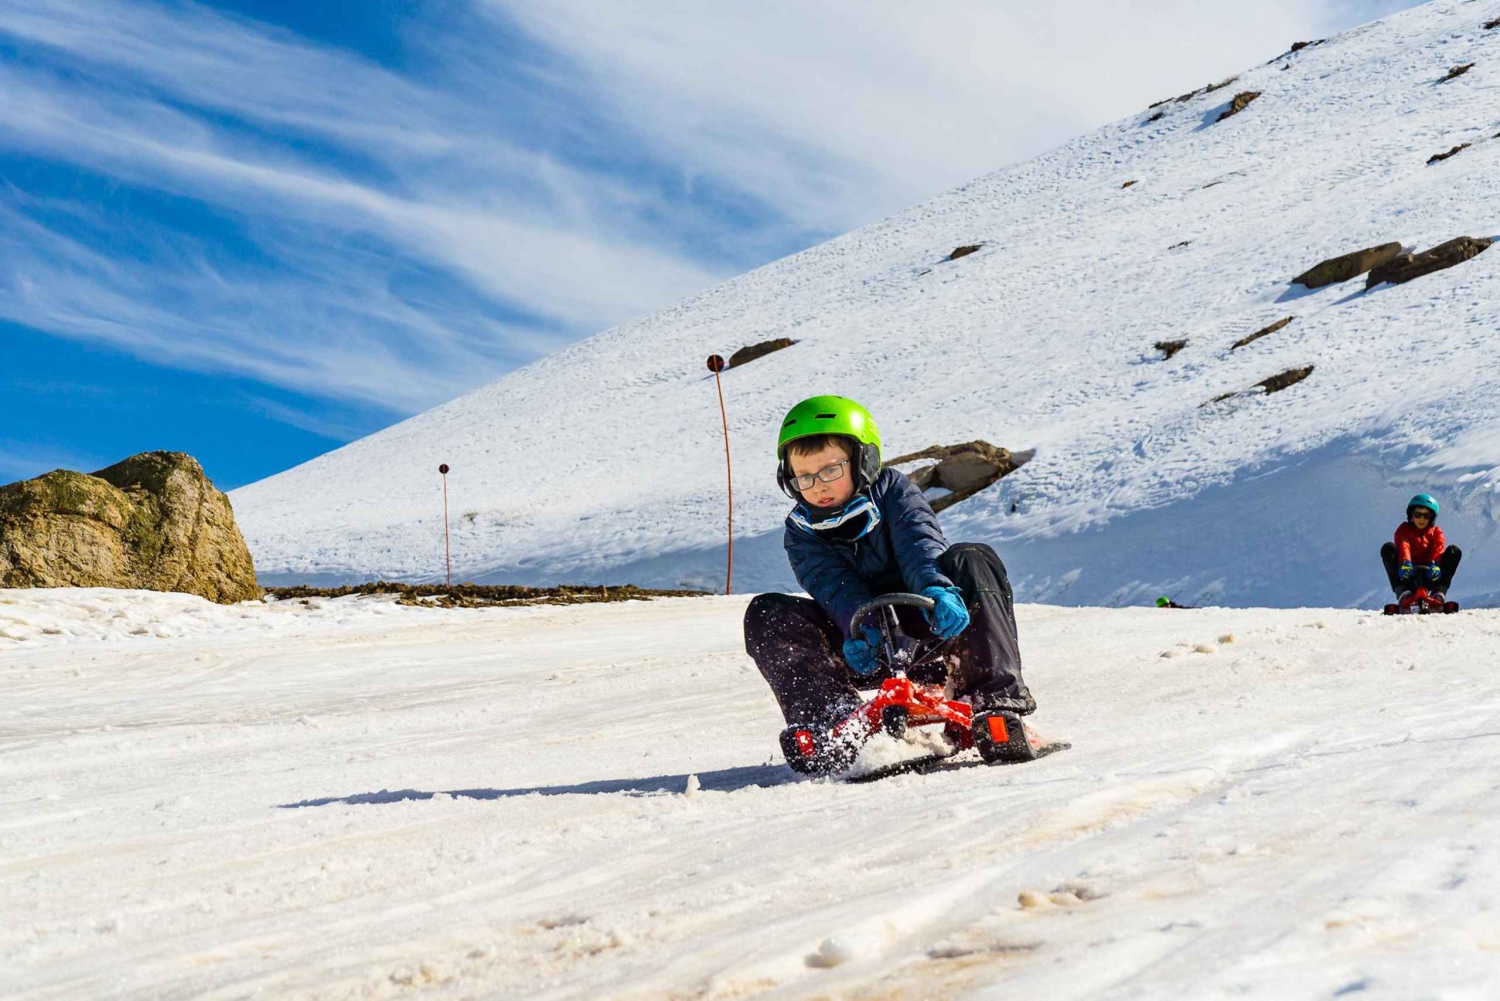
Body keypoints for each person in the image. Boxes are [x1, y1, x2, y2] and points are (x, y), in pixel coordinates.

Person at [742, 395, 1033, 770]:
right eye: (804, 477)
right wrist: (858, 625)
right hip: (865, 645)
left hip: (934, 626)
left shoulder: (894, 491)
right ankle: (834, 723)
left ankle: (992, 703)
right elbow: (833, 585)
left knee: (972, 558)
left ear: (864, 461)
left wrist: (935, 587)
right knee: (768, 613)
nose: (816, 486)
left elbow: (919, 542)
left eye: (830, 470)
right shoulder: (800, 531)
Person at [1380, 493, 1461, 605]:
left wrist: (1434, 565)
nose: (1421, 519)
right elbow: (1404, 545)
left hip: (1431, 574)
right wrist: (1406, 563)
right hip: (1407, 573)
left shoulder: (1436, 532)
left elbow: (1438, 547)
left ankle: (1439, 592)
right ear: (1411, 515)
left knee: (1454, 551)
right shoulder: (1404, 529)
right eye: (1418, 514)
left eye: (1426, 516)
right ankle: (1403, 592)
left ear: (1431, 517)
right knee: (1388, 548)